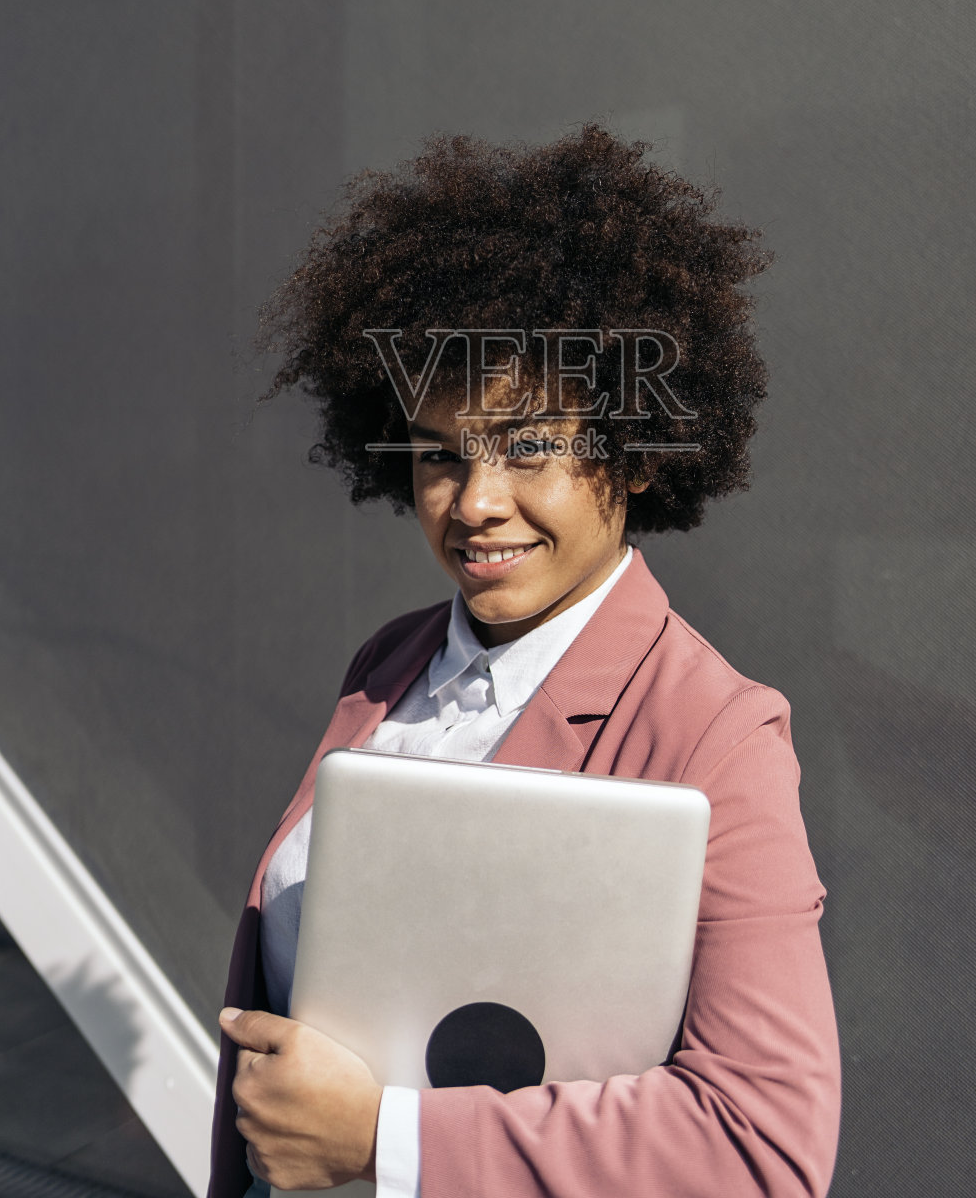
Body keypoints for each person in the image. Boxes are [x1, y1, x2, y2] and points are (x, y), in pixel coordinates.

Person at [209, 124, 841, 1198]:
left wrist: (385, 1142)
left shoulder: (712, 734)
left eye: (529, 446)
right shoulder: (390, 663)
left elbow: (759, 1145)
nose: (474, 502)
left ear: (632, 455)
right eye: (441, 456)